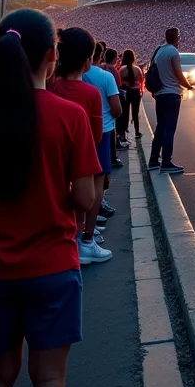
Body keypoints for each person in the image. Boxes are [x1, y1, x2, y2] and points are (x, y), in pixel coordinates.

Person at [0, 9, 100, 387]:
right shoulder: (70, 116)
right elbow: (85, 199)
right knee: (49, 378)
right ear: (52, 55)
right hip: (52, 266)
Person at [49, 28, 112, 265]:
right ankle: (87, 239)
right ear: (87, 61)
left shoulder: (51, 86)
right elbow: (96, 136)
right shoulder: (91, 93)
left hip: (56, 152)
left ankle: (67, 237)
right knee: (93, 189)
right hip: (83, 154)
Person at [148, 28, 193, 174]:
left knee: (161, 127)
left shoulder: (159, 50)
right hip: (171, 93)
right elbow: (178, 74)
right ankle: (166, 162)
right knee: (169, 128)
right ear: (177, 38)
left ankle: (153, 160)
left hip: (160, 93)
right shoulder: (173, 52)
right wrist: (188, 86)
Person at [83, 42, 123, 170]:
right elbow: (117, 110)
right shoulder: (106, 76)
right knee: (101, 172)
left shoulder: (78, 75)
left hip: (81, 129)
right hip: (103, 128)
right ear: (101, 55)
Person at [117, 49, 142, 149]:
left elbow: (119, 81)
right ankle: (137, 132)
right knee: (135, 113)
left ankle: (123, 132)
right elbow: (141, 80)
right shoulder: (137, 69)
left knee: (125, 113)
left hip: (125, 92)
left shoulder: (121, 69)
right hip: (135, 92)